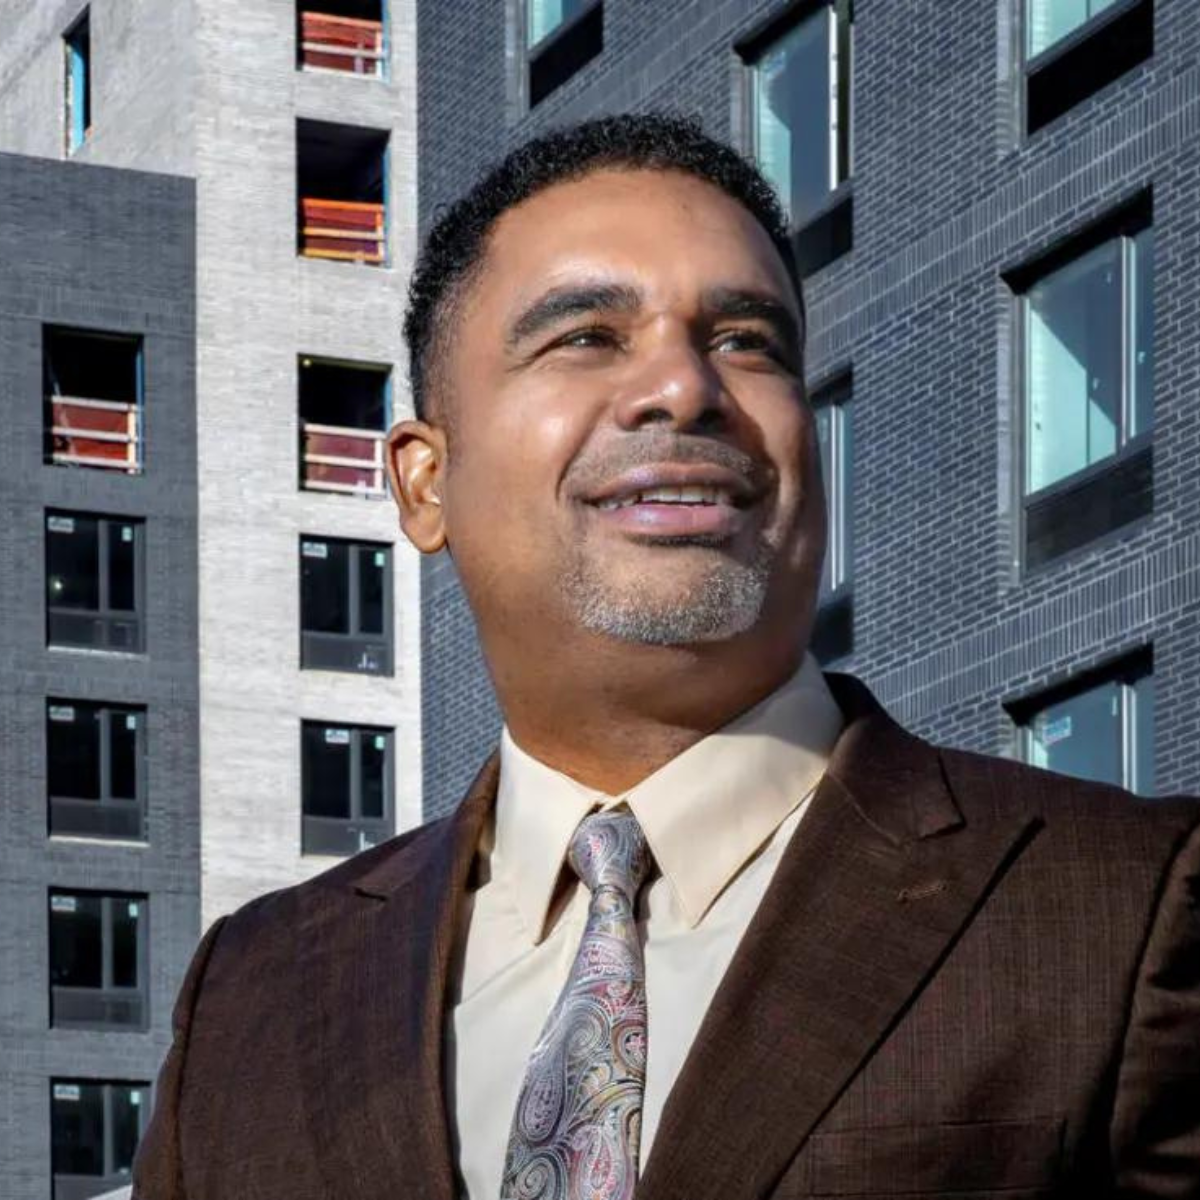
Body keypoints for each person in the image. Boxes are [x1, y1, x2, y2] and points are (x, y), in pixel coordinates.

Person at [132, 114, 1200, 1200]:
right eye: (587, 336)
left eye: (747, 342)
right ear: (424, 482)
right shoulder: (250, 998)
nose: (687, 387)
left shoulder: (1128, 904)